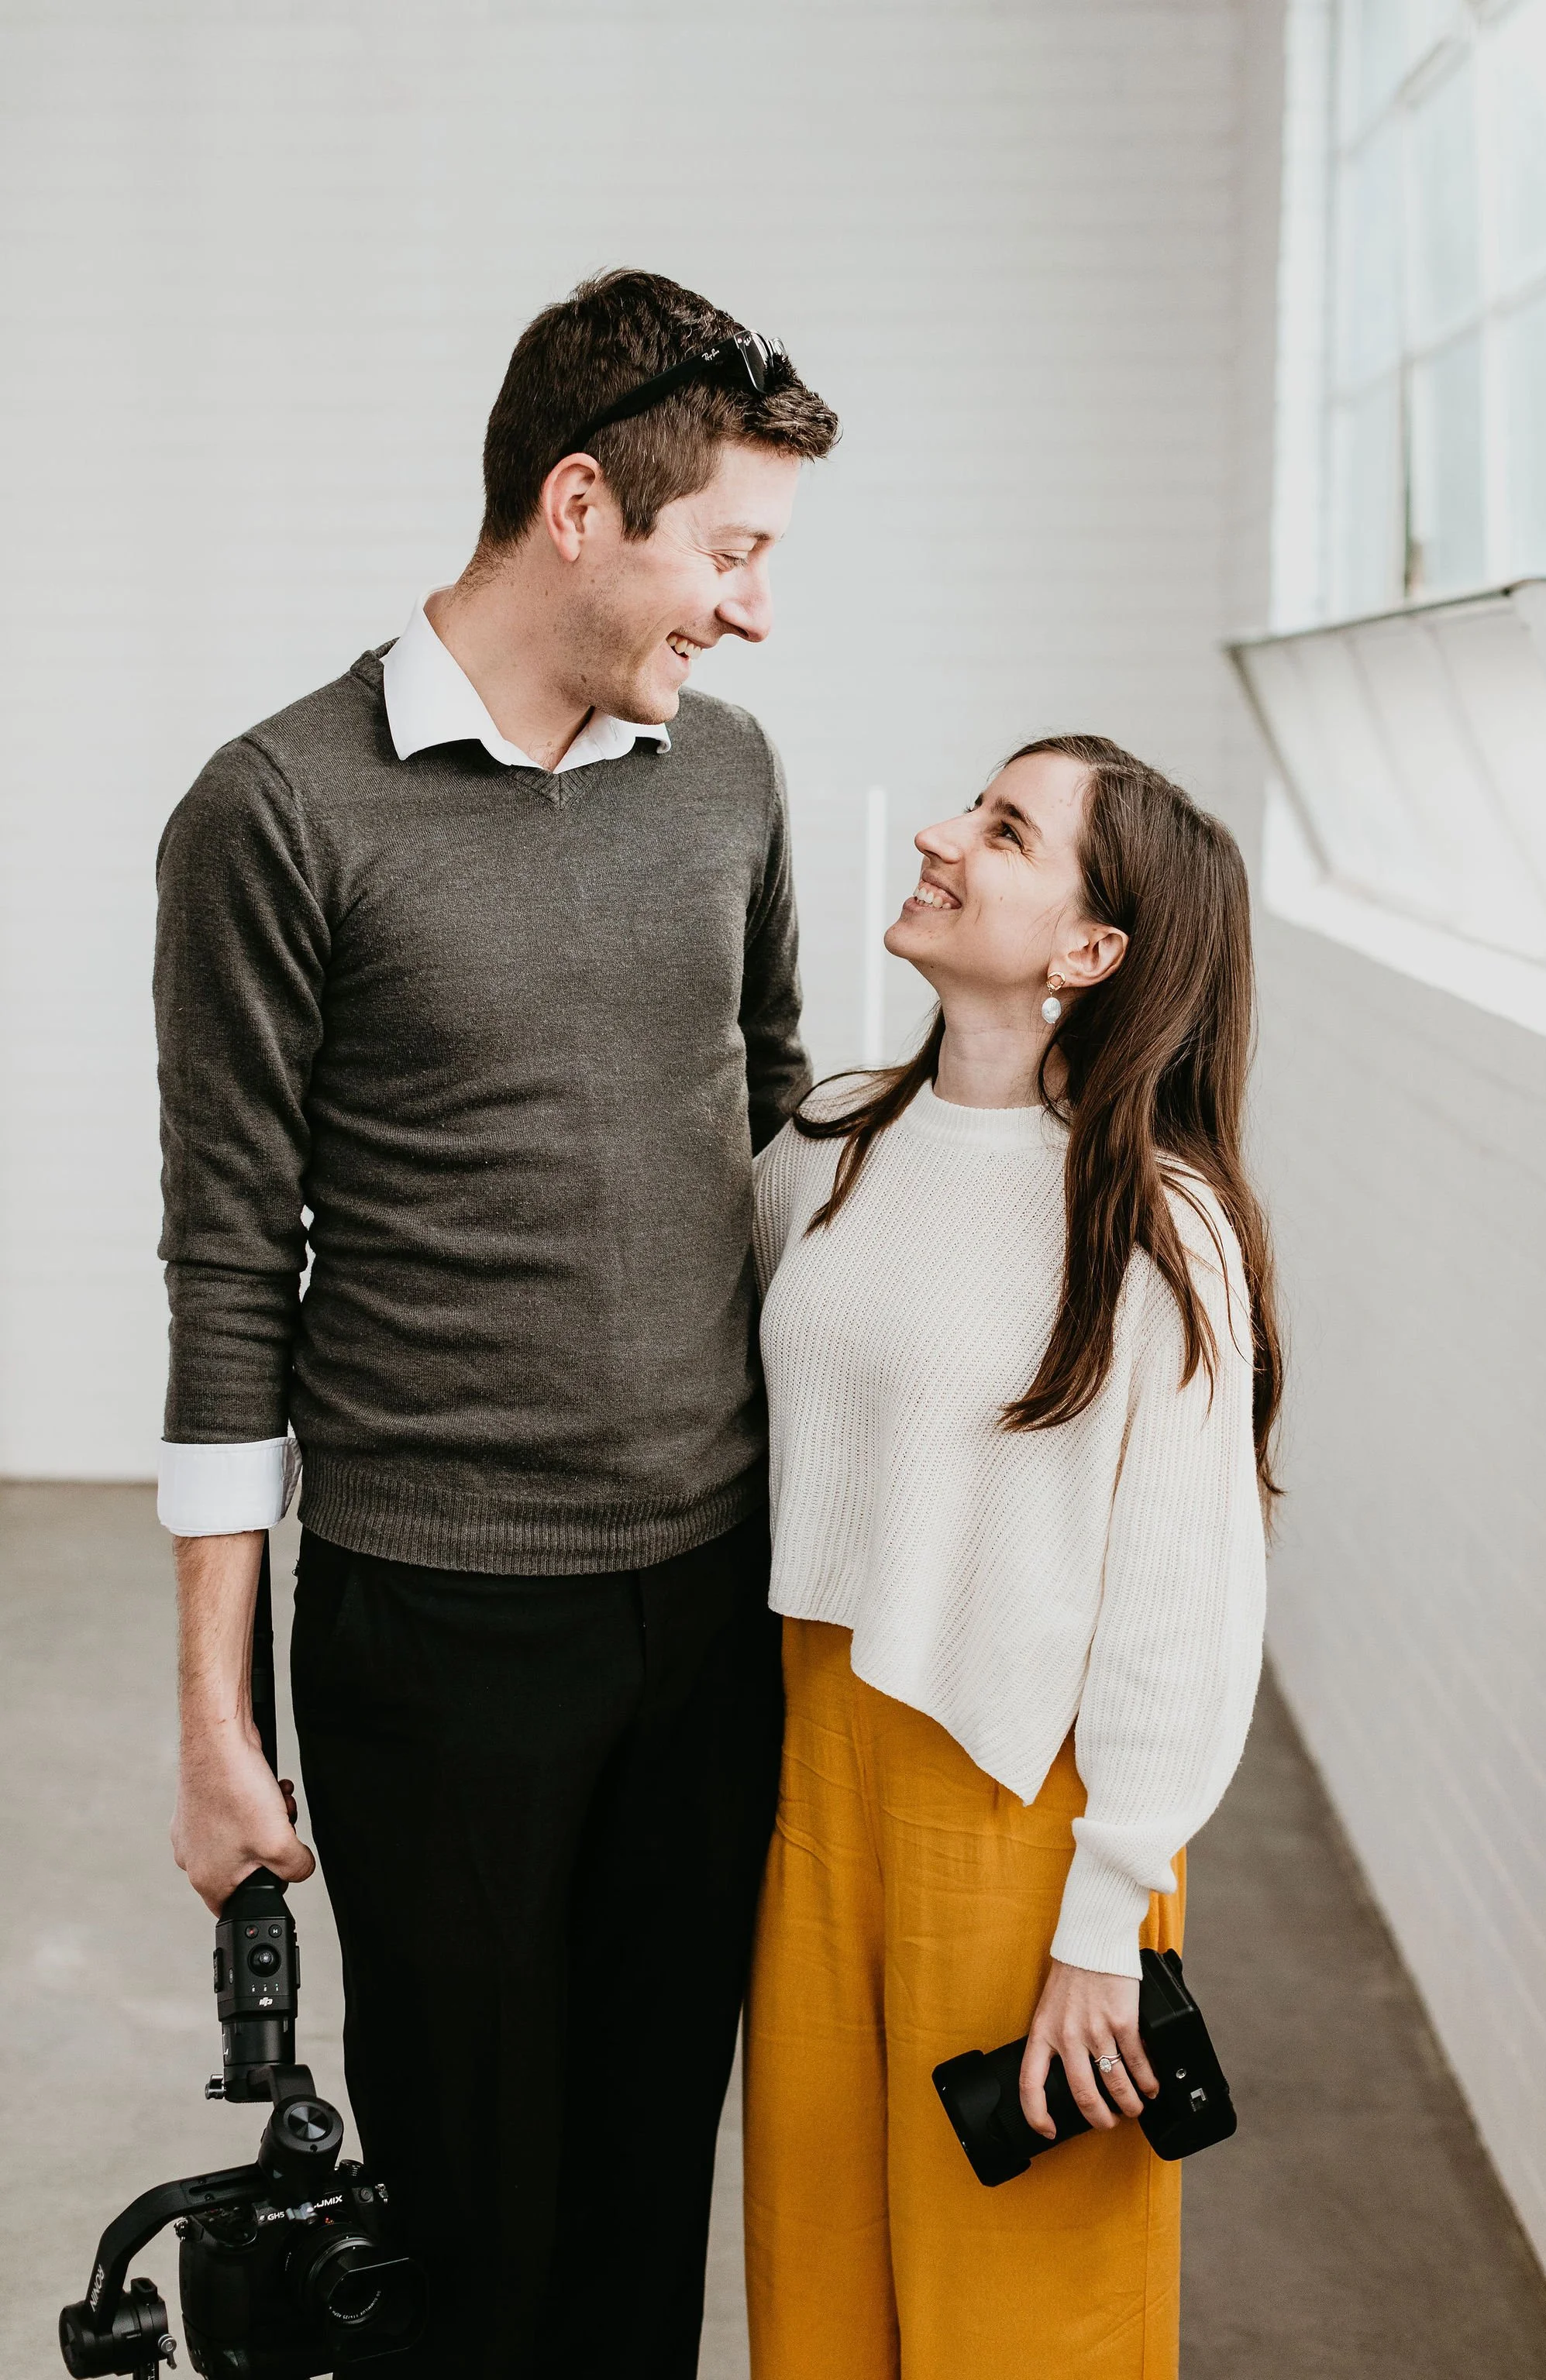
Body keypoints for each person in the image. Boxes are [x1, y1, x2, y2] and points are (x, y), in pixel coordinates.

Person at [153, 267, 838, 2378]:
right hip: (438, 1632)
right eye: (727, 553)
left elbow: (785, 1110)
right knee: (475, 2229)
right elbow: (222, 1268)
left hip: (711, 1613)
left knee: (645, 2209)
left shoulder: (726, 777)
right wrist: (213, 1713)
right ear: (577, 507)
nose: (749, 610)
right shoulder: (274, 812)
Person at [743, 733, 1280, 2379]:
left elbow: (1183, 1599)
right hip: (815, 1766)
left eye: (999, 829)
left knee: (1019, 2321)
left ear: (1086, 952)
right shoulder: (829, 1141)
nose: (934, 836)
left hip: (1024, 1802)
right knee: (817, 2283)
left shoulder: (1152, 1224)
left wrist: (1106, 1919)